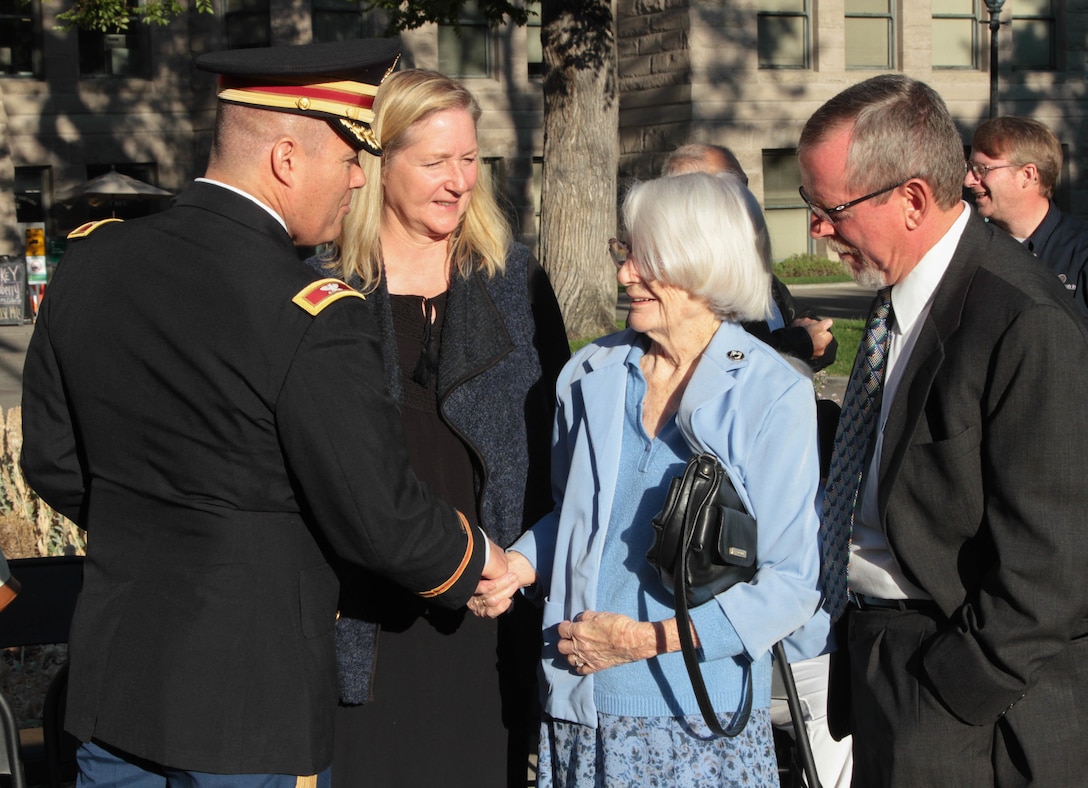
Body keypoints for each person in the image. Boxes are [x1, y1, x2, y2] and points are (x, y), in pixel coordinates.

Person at [19, 40, 512, 787]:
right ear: (286, 159)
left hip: (114, 688)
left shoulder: (91, 266)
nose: (358, 181)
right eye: (350, 159)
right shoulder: (311, 312)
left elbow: (53, 461)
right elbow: (376, 510)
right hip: (248, 707)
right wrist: (477, 558)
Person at [474, 171, 824, 786]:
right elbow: (577, 518)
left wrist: (645, 641)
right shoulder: (589, 374)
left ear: (702, 263)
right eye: (625, 253)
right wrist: (521, 565)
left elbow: (791, 585)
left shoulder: (771, 393)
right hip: (577, 704)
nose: (624, 275)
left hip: (694, 720)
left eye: (645, 259)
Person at [799, 74, 1088, 786]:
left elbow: (1052, 564)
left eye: (830, 208)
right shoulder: (904, 288)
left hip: (962, 701)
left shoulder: (1025, 321)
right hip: (885, 668)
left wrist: (954, 686)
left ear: (913, 200)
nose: (817, 229)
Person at [312, 69, 569, 787]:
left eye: (468, 160)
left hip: (489, 613)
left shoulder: (514, 281)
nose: (459, 182)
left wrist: (522, 563)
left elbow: (561, 450)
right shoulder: (323, 285)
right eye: (435, 161)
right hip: (363, 618)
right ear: (377, 163)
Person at [661, 144, 850, 787]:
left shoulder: (765, 280)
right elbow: (722, 377)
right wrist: (795, 347)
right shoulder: (681, 292)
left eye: (739, 190)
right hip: (719, 558)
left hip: (796, 554)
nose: (739, 209)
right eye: (717, 195)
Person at [662, 143, 838, 372]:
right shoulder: (671, 282)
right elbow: (724, 362)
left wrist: (816, 338)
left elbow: (810, 324)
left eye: (743, 185)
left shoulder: (749, 265)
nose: (745, 197)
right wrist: (802, 343)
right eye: (730, 186)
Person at [965, 116, 1088, 317]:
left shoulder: (1081, 253)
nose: (968, 180)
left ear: (1028, 175)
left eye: (982, 169)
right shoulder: (971, 250)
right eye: (970, 169)